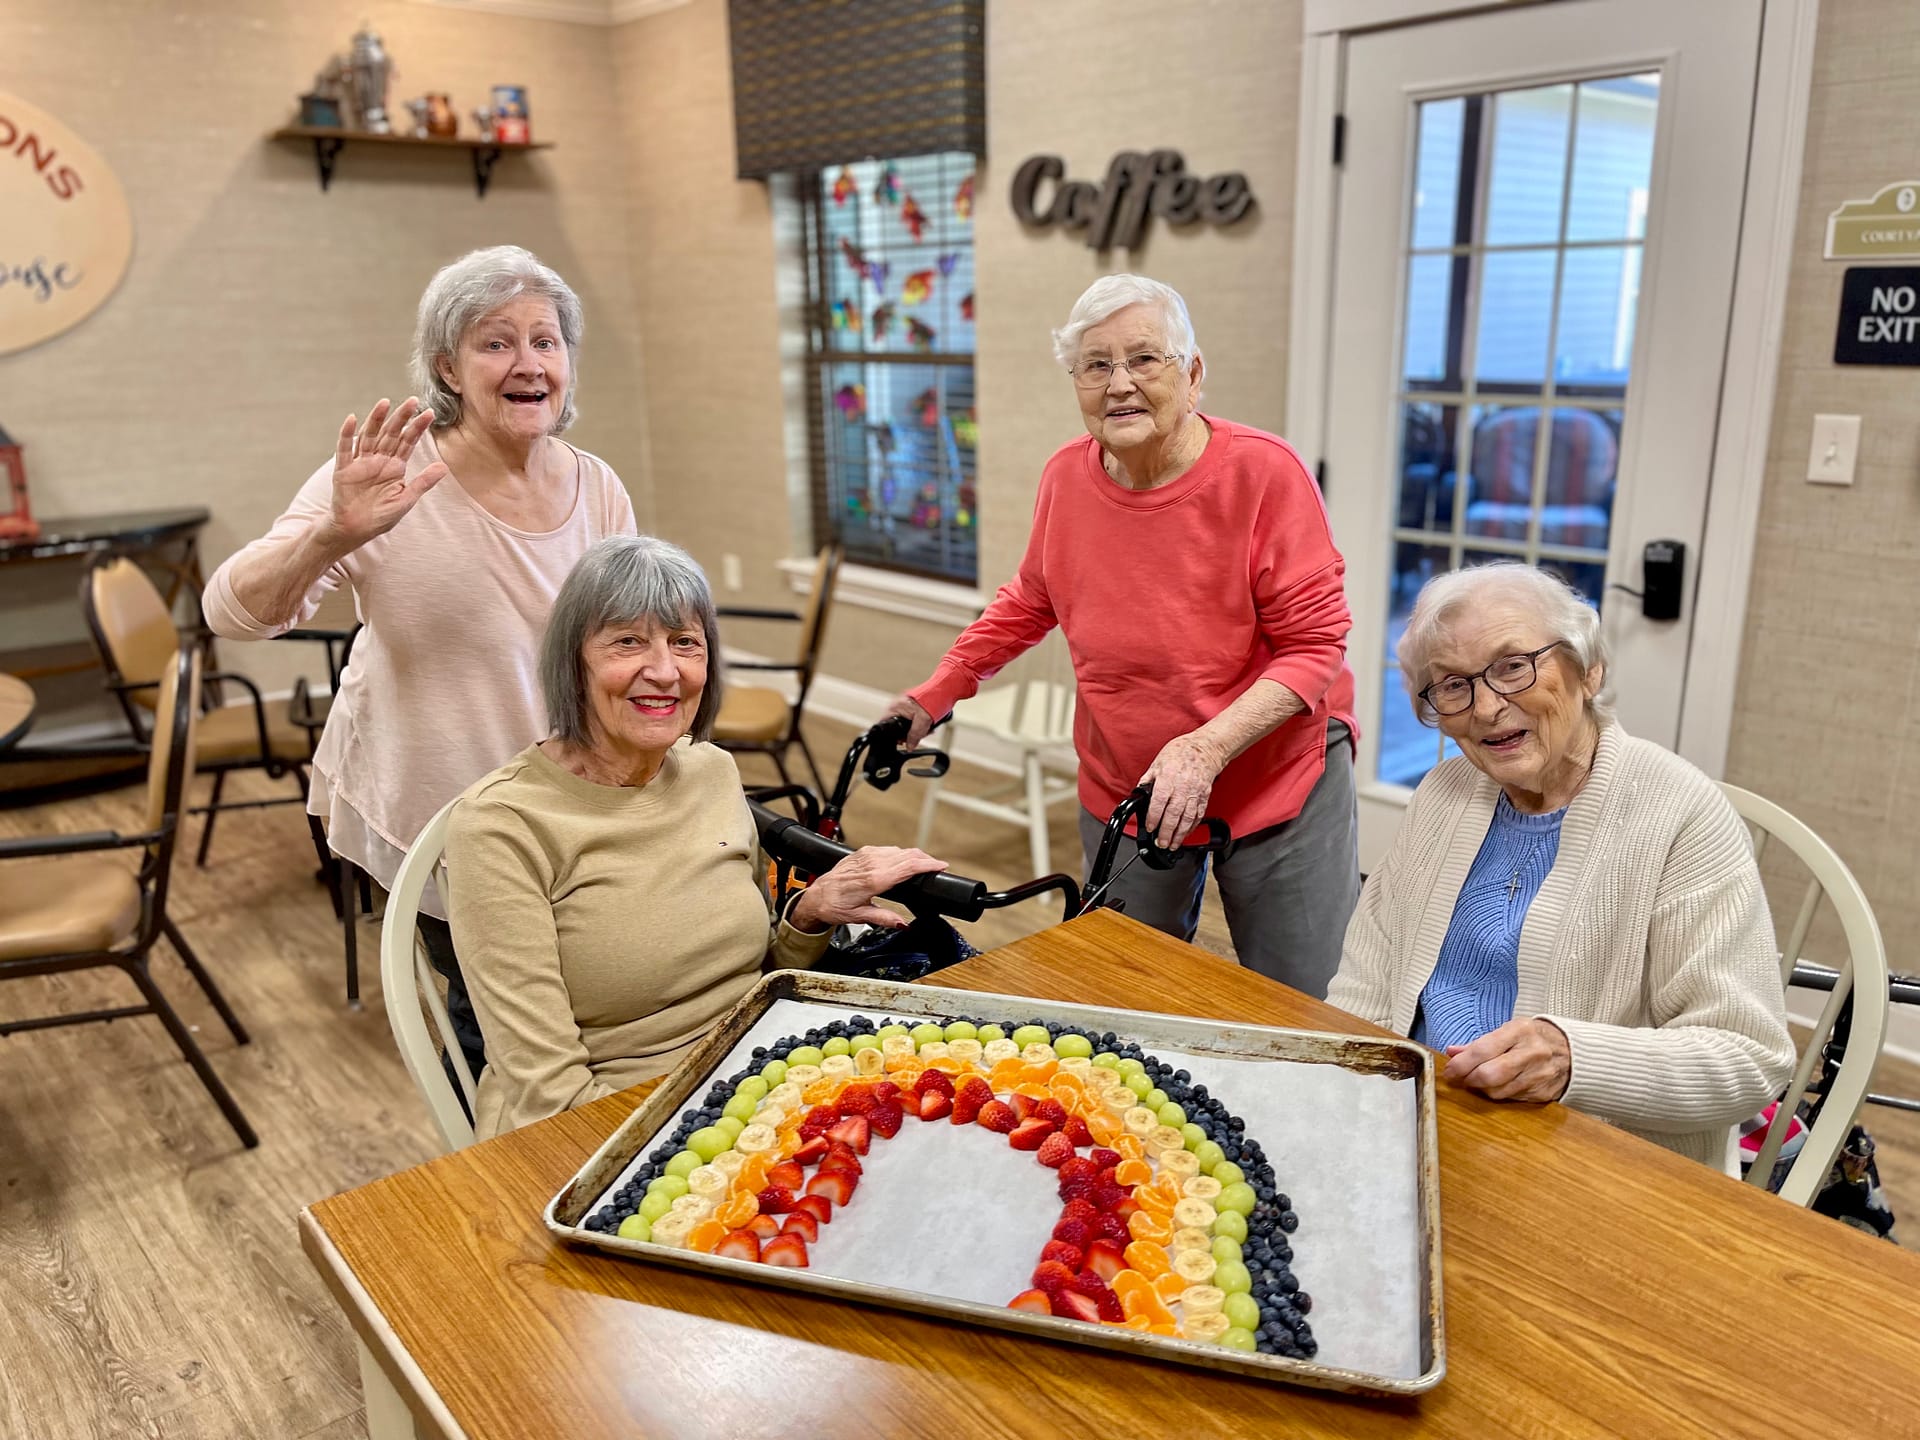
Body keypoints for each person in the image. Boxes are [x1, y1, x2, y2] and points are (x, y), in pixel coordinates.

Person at [203, 246, 634, 1079]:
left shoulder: (598, 484)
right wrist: (335, 534)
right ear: (447, 364)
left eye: (546, 341)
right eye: (495, 342)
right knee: (504, 1042)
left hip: (572, 803)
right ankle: (513, 1189)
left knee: (594, 1013)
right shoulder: (388, 481)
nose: (527, 363)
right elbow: (230, 613)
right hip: (446, 806)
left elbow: (622, 637)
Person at [884, 274, 1359, 996]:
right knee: (1127, 984)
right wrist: (934, 694)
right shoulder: (1065, 479)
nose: (1119, 384)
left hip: (1276, 778)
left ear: (1192, 375)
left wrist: (1205, 748)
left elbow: (1316, 647)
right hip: (1127, 781)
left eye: (1144, 359)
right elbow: (1030, 599)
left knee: (1297, 997)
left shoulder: (1265, 475)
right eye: (1096, 365)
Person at [444, 536, 947, 1140]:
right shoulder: (502, 826)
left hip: (761, 1073)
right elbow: (545, 1089)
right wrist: (712, 1140)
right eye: (627, 641)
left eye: (685, 642)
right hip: (611, 1120)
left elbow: (753, 973)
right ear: (571, 662)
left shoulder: (711, 768)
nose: (664, 671)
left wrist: (809, 916)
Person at [1327, 563, 1795, 1172]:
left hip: (1590, 1164)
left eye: (1512, 667)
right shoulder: (1445, 790)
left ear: (1590, 668)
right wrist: (1345, 1098)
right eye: (1451, 685)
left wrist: (1575, 1057)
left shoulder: (1681, 814)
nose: (1488, 708)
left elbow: (1749, 1055)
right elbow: (1366, 979)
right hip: (1421, 1122)